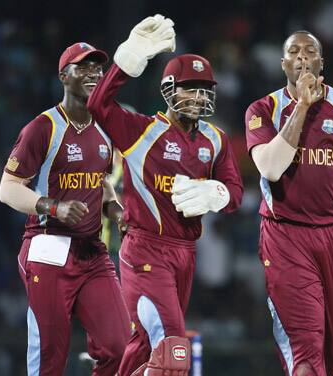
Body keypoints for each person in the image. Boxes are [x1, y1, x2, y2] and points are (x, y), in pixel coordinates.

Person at [87, 15, 243, 375]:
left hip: (185, 255)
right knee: (174, 349)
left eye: (205, 88)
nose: (199, 95)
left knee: (143, 347)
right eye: (190, 87)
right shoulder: (141, 132)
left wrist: (214, 192)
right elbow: (98, 106)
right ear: (169, 89)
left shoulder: (215, 139)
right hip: (145, 248)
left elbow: (234, 192)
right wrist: (125, 63)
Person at [245, 30, 333, 375]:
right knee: (305, 352)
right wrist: (303, 107)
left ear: (322, 62)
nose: (302, 56)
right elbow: (271, 168)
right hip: (285, 237)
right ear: (283, 64)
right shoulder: (263, 109)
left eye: (311, 51)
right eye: (294, 51)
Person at [0, 42, 130, 375]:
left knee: (117, 345)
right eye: (83, 67)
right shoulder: (42, 128)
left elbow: (99, 183)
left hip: (92, 251)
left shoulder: (105, 128)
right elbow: (8, 189)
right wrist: (52, 206)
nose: (93, 74)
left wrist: (116, 212)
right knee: (49, 356)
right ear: (63, 76)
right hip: (48, 244)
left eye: (97, 68)